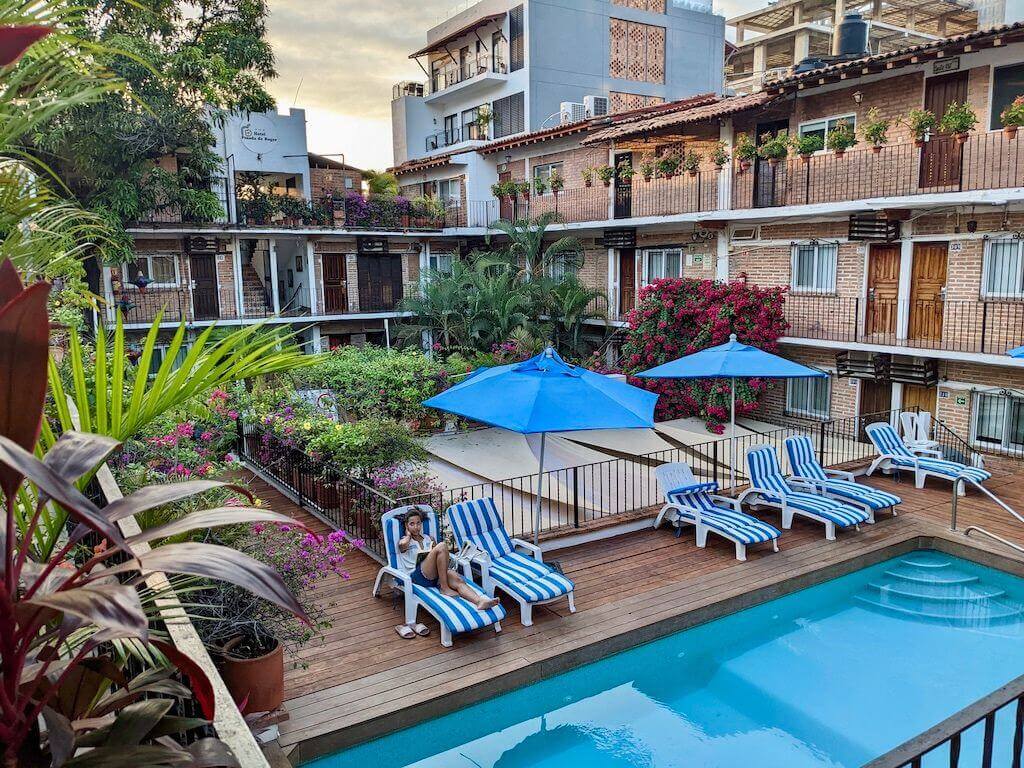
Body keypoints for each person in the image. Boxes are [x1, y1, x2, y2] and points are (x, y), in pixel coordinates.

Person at [398, 507, 500, 614]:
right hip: (418, 576)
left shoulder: (429, 538)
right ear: (406, 525)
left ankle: (479, 601)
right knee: (442, 546)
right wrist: (408, 535)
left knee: (458, 580)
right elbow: (402, 545)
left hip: (435, 575)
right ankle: (444, 587)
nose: (416, 527)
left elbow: (439, 557)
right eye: (412, 524)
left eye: (418, 523)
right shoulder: (405, 541)